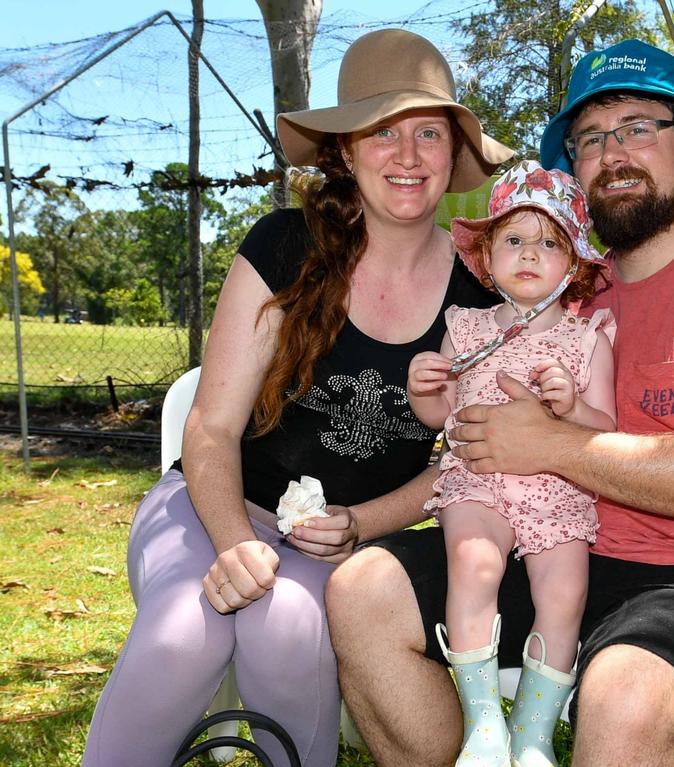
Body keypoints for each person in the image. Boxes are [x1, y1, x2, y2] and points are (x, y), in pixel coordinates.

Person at [326, 37, 674, 767]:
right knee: (361, 590)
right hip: (556, 542)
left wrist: (553, 444)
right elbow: (477, 442)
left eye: (636, 128)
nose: (611, 152)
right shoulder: (564, 293)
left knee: (622, 695)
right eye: (590, 138)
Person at [82, 28, 513, 767]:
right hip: (210, 504)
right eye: (382, 133)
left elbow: (472, 463)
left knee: (287, 627)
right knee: (188, 626)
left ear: (451, 153)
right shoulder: (285, 245)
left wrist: (358, 523)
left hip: (346, 544)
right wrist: (233, 542)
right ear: (345, 150)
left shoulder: (482, 293)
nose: (407, 156)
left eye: (427, 134)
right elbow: (210, 427)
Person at [407, 159, 615, 767]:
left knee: (566, 592)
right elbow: (440, 414)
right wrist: (425, 388)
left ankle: (531, 730)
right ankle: (483, 725)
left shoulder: (585, 340)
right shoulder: (466, 329)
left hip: (558, 490)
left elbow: (608, 429)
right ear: (489, 257)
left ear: (573, 264)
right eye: (514, 240)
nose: (530, 253)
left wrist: (572, 407)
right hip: (477, 481)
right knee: (472, 564)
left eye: (550, 242)